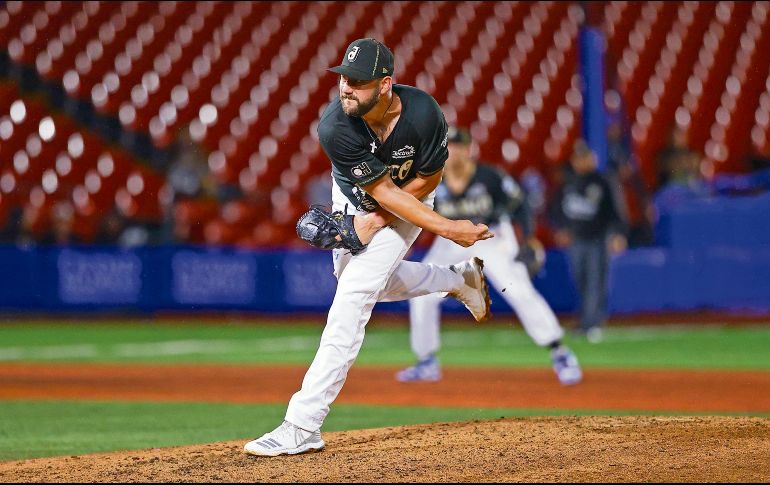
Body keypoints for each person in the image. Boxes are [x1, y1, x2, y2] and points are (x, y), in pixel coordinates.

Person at [244, 38, 494, 457]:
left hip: (413, 195)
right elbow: (378, 193)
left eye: (358, 82)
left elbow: (430, 177)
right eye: (344, 78)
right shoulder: (335, 126)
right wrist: (376, 219)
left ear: (385, 85)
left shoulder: (423, 113)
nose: (346, 87)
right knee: (362, 283)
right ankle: (456, 279)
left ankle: (303, 424)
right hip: (354, 197)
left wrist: (442, 227)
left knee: (353, 296)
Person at [395, 127, 582, 386]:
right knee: (422, 292)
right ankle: (426, 360)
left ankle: (559, 351)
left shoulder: (489, 176)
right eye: (450, 146)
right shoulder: (432, 180)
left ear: (468, 149)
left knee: (518, 289)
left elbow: (520, 205)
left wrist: (528, 238)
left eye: (459, 146)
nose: (454, 151)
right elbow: (414, 213)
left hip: (491, 235)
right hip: (453, 238)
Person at [550, 139, 627, 343]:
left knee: (596, 281)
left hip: (598, 239)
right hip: (576, 240)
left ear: (592, 158)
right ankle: (586, 320)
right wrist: (561, 229)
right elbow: (555, 210)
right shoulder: (569, 183)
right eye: (578, 158)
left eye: (585, 157)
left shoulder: (603, 181)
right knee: (581, 280)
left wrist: (618, 233)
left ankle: (592, 323)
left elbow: (616, 209)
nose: (581, 161)